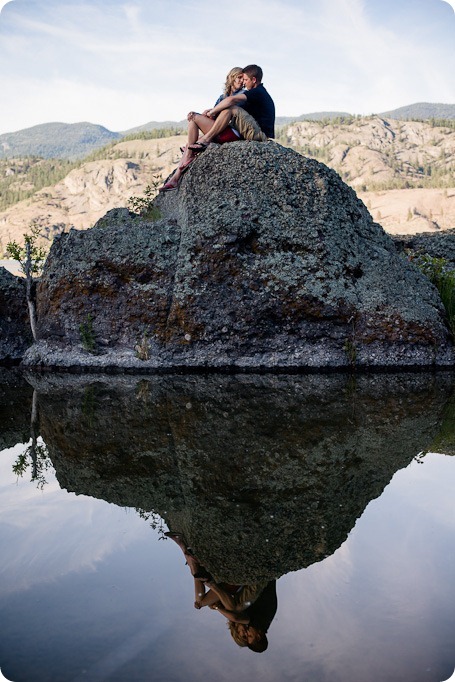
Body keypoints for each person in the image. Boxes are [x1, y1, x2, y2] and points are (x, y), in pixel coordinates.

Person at [159, 64, 275, 191]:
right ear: (232, 78)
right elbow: (222, 112)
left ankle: (202, 142)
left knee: (230, 108)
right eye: (240, 78)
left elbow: (230, 105)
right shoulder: (229, 96)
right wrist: (209, 113)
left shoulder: (254, 92)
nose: (243, 82)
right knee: (193, 119)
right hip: (237, 129)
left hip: (251, 134)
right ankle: (177, 175)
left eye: (245, 79)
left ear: (253, 80)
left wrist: (211, 112)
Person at [164, 531, 277, 653]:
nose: (246, 632)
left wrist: (216, 606)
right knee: (235, 608)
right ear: (259, 636)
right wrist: (218, 607)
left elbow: (234, 613)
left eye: (244, 635)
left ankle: (187, 553)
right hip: (258, 581)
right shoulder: (260, 623)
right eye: (248, 636)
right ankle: (207, 579)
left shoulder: (255, 623)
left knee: (200, 602)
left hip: (240, 587)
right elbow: (234, 616)